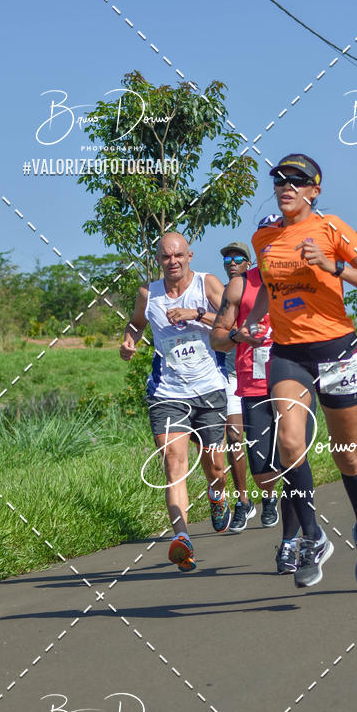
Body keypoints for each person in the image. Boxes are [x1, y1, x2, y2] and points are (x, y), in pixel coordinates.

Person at [236, 153, 357, 589]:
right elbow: (268, 286)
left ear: (314, 191)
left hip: (337, 352)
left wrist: (332, 265)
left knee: (345, 452)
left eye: (297, 180)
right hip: (289, 354)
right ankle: (313, 536)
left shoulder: (332, 228)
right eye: (279, 180)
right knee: (289, 442)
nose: (285, 186)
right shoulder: (263, 237)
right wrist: (255, 318)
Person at [119, 232, 231, 573]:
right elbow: (136, 326)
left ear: (190, 255)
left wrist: (195, 313)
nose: (173, 261)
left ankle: (217, 496)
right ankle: (182, 538)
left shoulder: (207, 284)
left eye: (178, 255)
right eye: (166, 257)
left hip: (209, 389)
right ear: (158, 260)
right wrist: (129, 341)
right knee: (173, 462)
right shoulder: (147, 295)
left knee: (215, 467)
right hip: (167, 393)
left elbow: (233, 322)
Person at [211, 239, 315, 573]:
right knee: (262, 471)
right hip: (254, 386)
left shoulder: (302, 279)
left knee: (293, 465)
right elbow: (218, 337)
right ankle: (270, 501)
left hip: (294, 383)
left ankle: (293, 542)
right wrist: (240, 336)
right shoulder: (241, 284)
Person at [218, 240, 279, 533]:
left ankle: (270, 497)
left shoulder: (253, 284)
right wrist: (234, 333)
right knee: (234, 436)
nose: (231, 262)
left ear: (249, 261)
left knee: (279, 444)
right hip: (232, 374)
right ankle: (244, 502)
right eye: (227, 257)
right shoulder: (226, 288)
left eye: (237, 257)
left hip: (275, 371)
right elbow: (216, 329)